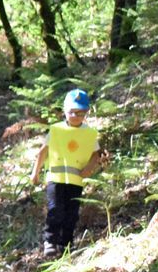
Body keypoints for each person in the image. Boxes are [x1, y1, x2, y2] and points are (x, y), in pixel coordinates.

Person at [30, 88, 108, 258]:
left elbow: (96, 154)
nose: (75, 116)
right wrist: (35, 172)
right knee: (55, 209)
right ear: (65, 111)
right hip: (55, 179)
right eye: (72, 112)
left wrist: (89, 169)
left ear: (86, 113)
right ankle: (50, 241)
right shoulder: (56, 130)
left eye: (80, 113)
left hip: (76, 180)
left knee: (71, 214)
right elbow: (43, 151)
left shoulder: (89, 133)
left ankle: (66, 243)